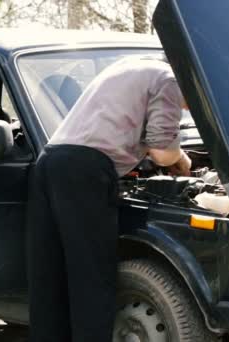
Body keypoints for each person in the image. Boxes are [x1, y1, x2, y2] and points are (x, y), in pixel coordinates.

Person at [26, 55, 192, 342]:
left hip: (51, 161)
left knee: (49, 277)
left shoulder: (133, 65)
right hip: (85, 170)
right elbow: (164, 153)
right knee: (92, 278)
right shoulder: (170, 81)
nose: (187, 110)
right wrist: (184, 162)